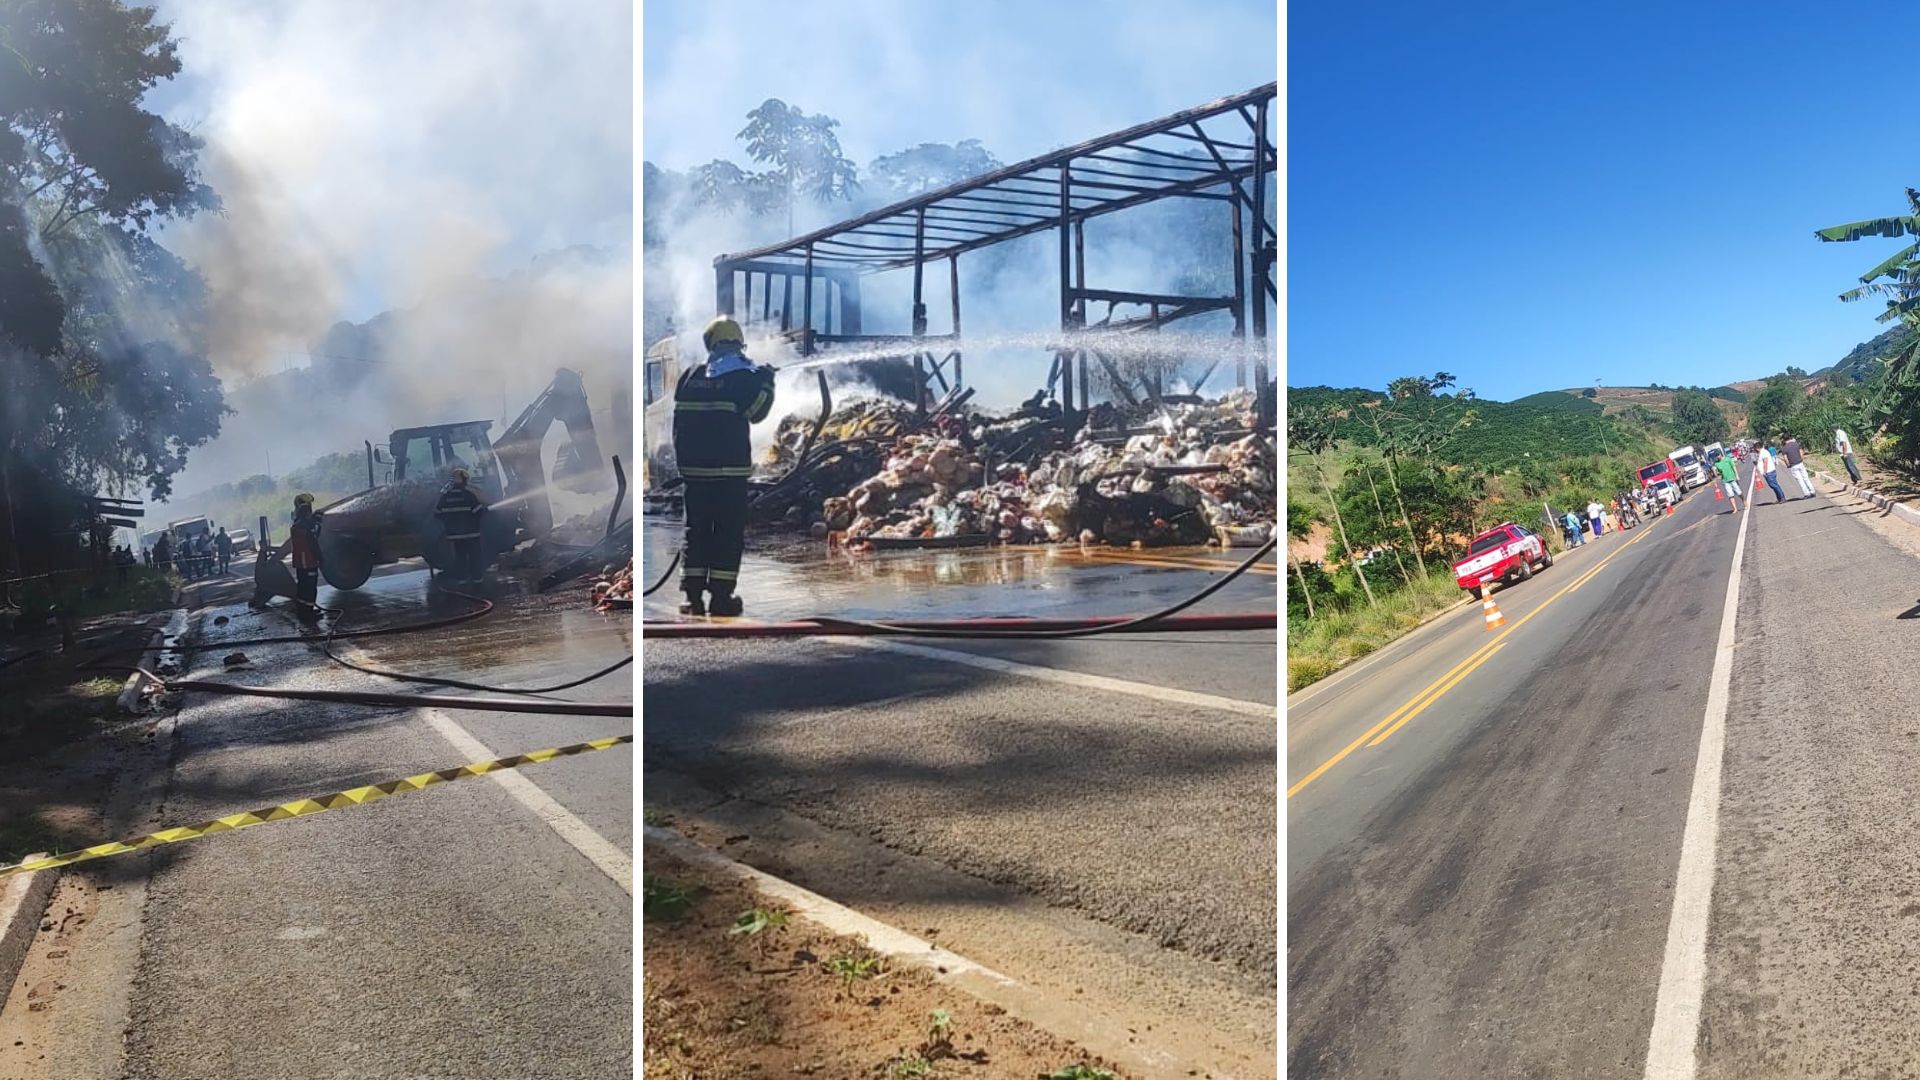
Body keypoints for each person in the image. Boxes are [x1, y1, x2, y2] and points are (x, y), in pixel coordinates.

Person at [673, 315, 777, 617]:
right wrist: (767, 383)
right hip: (730, 472)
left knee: (697, 530)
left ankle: (692, 600)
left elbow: (679, 423)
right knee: (727, 533)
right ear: (737, 343)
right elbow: (757, 413)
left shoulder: (690, 376)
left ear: (711, 345)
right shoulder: (744, 377)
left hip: (695, 473)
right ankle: (721, 598)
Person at [433, 467, 488, 584]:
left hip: (455, 535)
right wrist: (486, 510)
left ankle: (461, 579)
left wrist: (448, 522)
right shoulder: (469, 495)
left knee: (460, 557)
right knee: (474, 556)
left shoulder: (445, 497)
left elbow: (437, 513)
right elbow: (479, 512)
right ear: (464, 481)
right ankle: (477, 580)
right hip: (472, 534)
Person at [276, 493, 325, 617]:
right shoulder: (307, 527)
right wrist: (320, 558)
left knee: (303, 586)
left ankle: (303, 611)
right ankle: (308, 613)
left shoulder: (297, 523)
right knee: (310, 588)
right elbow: (313, 543)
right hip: (308, 561)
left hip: (300, 562)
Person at [1782, 434, 1815, 498]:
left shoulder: (1784, 448)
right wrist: (1801, 459)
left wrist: (1788, 465)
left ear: (1783, 439)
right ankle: (1812, 491)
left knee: (1800, 480)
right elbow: (1801, 452)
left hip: (1793, 465)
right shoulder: (1796, 444)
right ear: (1790, 437)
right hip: (1800, 463)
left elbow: (1785, 458)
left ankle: (1807, 493)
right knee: (1806, 478)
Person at [1713, 447, 1742, 514]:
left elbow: (1733, 466)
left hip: (1732, 478)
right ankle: (1735, 508)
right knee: (1730, 495)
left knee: (1739, 493)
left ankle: (1744, 501)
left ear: (1721, 454)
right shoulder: (1716, 464)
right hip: (1725, 481)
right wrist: (1714, 471)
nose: (1718, 456)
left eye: (1718, 454)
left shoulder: (1728, 459)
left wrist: (1737, 475)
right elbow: (1717, 474)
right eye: (1716, 455)